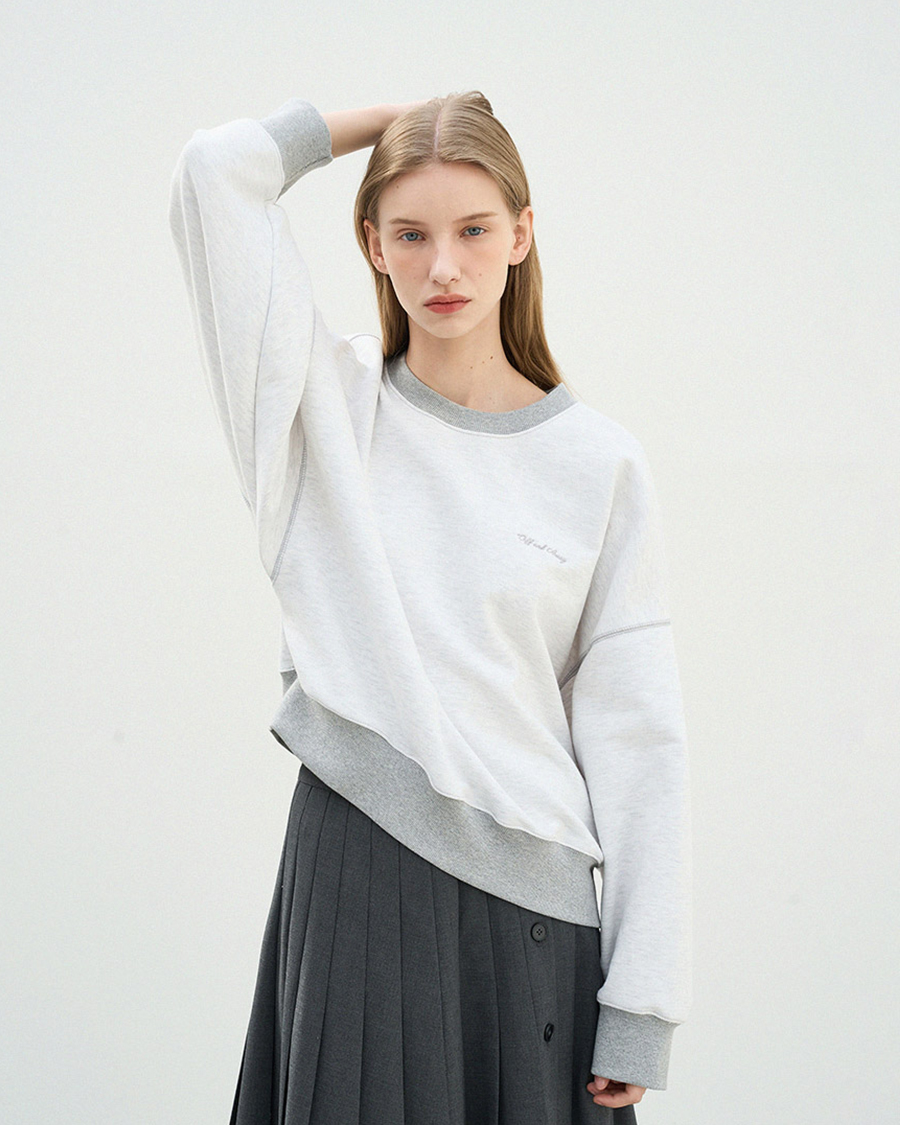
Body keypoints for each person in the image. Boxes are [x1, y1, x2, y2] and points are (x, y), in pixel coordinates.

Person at [168, 89, 692, 1125]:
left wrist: (642, 1003)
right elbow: (213, 173)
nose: (443, 265)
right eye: (410, 233)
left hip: (537, 918)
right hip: (358, 878)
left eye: (473, 230)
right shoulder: (321, 410)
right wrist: (395, 121)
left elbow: (640, 742)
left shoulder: (600, 465)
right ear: (371, 245)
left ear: (522, 234)